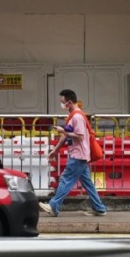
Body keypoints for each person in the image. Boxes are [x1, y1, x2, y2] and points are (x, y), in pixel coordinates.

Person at [39, 89, 106, 218]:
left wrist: (63, 131)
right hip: (80, 155)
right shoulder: (73, 116)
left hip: (78, 155)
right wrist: (55, 150)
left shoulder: (77, 117)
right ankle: (99, 208)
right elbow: (66, 136)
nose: (61, 104)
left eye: (62, 101)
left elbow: (79, 136)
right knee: (88, 184)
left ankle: (53, 206)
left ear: (69, 102)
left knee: (66, 179)